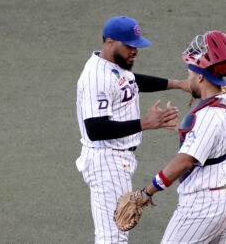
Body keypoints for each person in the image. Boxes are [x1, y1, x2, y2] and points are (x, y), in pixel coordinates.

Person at [75, 16, 190, 243]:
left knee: (117, 233)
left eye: (136, 45)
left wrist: (177, 84)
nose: (134, 50)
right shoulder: (95, 77)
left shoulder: (113, 68)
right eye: (129, 45)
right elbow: (95, 129)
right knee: (114, 236)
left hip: (117, 160)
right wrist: (145, 123)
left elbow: (131, 81)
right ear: (109, 42)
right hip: (107, 161)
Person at [136, 30, 226, 243]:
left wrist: (146, 192)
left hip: (204, 205)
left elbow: (185, 161)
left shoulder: (208, 115)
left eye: (190, 74)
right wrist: (182, 130)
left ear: (201, 76)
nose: (189, 78)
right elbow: (219, 144)